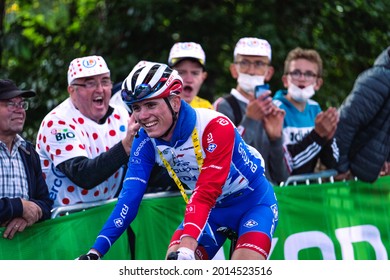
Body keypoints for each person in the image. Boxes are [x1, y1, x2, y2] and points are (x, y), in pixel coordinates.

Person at [77, 61, 278, 260]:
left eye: (150, 104)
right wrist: (95, 252)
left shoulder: (215, 127)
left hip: (253, 204)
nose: (143, 116)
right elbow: (128, 200)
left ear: (174, 102)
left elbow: (206, 191)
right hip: (211, 213)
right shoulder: (145, 139)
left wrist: (188, 248)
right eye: (136, 107)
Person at [36, 55, 133, 208]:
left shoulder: (121, 115)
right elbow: (83, 175)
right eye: (90, 83)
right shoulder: (56, 122)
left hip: (104, 212)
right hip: (64, 219)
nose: (100, 89)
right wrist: (125, 147)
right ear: (72, 91)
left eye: (105, 81)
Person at [213, 37, 288, 185]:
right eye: (244, 63)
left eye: (259, 64)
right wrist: (250, 120)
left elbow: (282, 176)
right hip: (237, 201)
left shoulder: (273, 110)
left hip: (268, 199)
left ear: (269, 72)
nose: (252, 71)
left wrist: (276, 140)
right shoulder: (222, 107)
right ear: (234, 70)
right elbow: (224, 161)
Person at [273, 47, 339, 175]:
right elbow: (286, 165)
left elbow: (332, 162)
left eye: (309, 74)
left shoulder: (315, 109)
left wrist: (328, 139)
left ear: (318, 83)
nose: (302, 79)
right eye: (296, 73)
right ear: (286, 80)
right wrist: (318, 135)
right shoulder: (275, 109)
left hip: (309, 191)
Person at [0, 79, 52, 240]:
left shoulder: (28, 152)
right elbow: (22, 206)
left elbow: (46, 204)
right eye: (10, 104)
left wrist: (30, 214)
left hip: (21, 254)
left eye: (22, 104)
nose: (20, 110)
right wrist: (19, 207)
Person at [335, 46, 390, 183]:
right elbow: (346, 123)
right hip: (355, 180)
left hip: (378, 181)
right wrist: (342, 169)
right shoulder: (379, 78)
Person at [168, 41, 213, 109]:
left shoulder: (207, 108)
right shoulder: (155, 106)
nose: (189, 79)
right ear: (168, 75)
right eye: (181, 72)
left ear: (203, 77)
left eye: (195, 73)